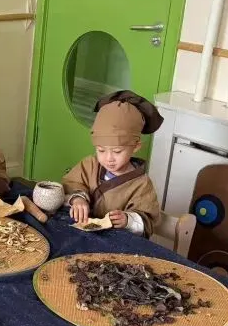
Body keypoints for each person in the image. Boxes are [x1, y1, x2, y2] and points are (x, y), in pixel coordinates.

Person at [62, 90, 164, 236]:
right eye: (101, 150)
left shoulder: (141, 185)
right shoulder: (90, 165)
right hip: (80, 234)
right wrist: (78, 199)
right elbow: (70, 183)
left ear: (136, 147)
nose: (109, 158)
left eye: (117, 151)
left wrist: (128, 220)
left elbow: (148, 220)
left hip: (113, 241)